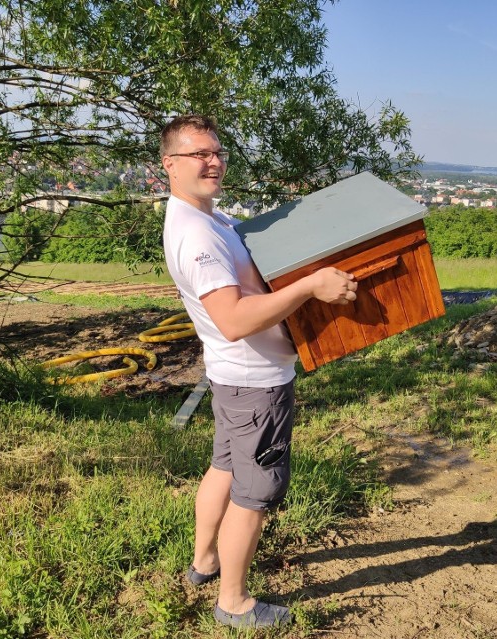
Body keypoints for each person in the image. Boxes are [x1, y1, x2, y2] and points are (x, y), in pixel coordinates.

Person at [160, 115, 357, 629]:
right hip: (254, 382)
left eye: (218, 152)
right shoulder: (196, 238)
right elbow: (232, 320)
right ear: (170, 166)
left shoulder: (209, 218)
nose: (213, 161)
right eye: (199, 154)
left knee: (224, 469)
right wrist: (310, 288)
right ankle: (233, 602)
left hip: (234, 379)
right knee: (254, 493)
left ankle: (204, 563)